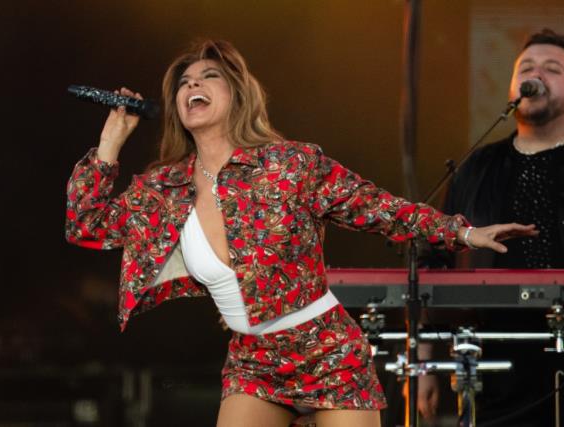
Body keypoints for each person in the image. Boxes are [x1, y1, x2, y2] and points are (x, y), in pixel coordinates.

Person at [65, 39, 537, 427]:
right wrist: (111, 141)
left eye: (209, 76)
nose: (193, 84)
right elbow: (86, 226)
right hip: (253, 359)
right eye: (185, 82)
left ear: (237, 95)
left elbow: (379, 209)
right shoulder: (162, 190)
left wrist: (464, 233)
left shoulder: (290, 164)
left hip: (328, 349)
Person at [423, 28, 564, 427]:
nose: (536, 74)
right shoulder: (475, 167)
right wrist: (425, 367)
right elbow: (435, 261)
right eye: (527, 67)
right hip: (496, 366)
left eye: (552, 68)